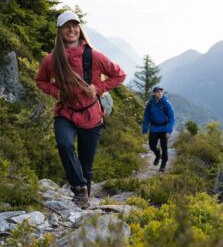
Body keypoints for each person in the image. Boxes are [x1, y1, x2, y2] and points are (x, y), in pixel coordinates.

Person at [35, 11, 126, 208]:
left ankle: (83, 204)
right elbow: (40, 81)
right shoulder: (51, 59)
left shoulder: (93, 56)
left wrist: (99, 88)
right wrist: (55, 91)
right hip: (65, 112)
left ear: (80, 29)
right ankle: (79, 188)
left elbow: (119, 75)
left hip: (90, 114)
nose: (71, 30)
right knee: (64, 144)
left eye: (75, 25)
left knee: (86, 165)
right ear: (59, 31)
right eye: (66, 26)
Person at [142, 86, 175, 172]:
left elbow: (172, 118)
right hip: (153, 128)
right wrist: (144, 129)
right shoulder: (150, 104)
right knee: (152, 146)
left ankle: (163, 164)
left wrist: (169, 130)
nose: (160, 93)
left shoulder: (166, 103)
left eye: (161, 92)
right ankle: (157, 154)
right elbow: (146, 116)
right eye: (158, 92)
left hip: (164, 128)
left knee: (164, 147)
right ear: (154, 93)